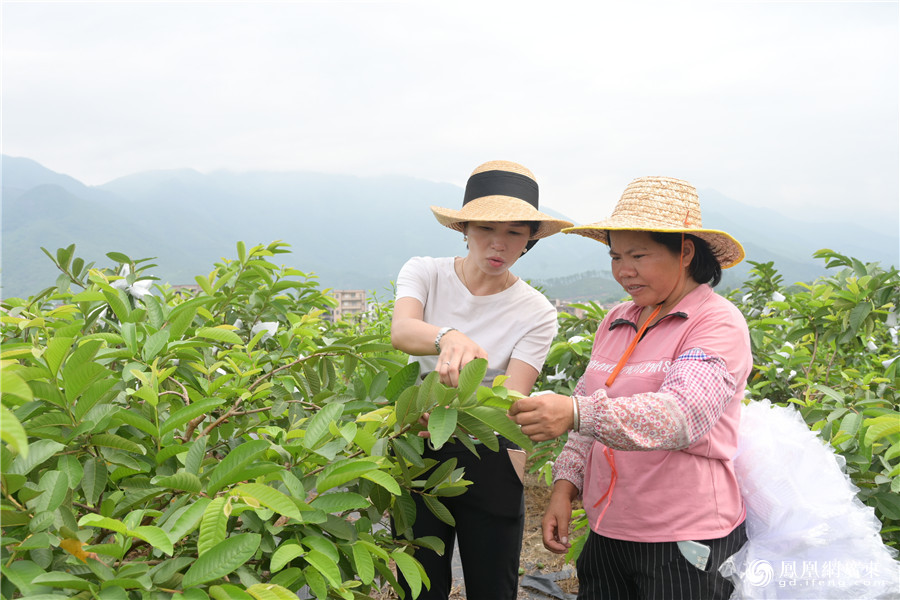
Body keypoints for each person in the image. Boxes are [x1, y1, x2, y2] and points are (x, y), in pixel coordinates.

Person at [509, 176, 751, 600]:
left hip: (683, 538)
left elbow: (680, 415)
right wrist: (564, 488)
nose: (624, 270)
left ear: (685, 252)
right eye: (616, 256)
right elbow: (586, 402)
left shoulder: (714, 323)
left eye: (639, 255)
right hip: (610, 529)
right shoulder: (618, 318)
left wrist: (575, 412)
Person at [390, 160, 572, 600]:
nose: (499, 242)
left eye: (515, 231)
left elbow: (511, 396)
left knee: (493, 583)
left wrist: (454, 408)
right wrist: (447, 336)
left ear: (530, 239)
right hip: (417, 439)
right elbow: (402, 331)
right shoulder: (426, 273)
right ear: (464, 227)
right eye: (487, 227)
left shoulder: (535, 311)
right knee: (420, 582)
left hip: (488, 448)